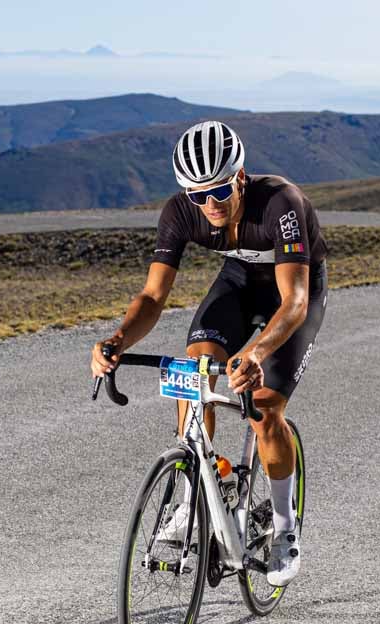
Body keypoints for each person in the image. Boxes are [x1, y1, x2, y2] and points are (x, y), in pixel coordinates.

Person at [89, 120, 328, 586]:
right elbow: (153, 297)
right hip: (239, 281)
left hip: (294, 291)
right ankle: (194, 490)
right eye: (198, 195)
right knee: (195, 365)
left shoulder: (282, 204)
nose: (210, 205)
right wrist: (116, 341)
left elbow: (295, 302)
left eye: (219, 190)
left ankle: (284, 530)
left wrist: (256, 352)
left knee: (263, 411)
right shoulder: (181, 212)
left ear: (239, 178)